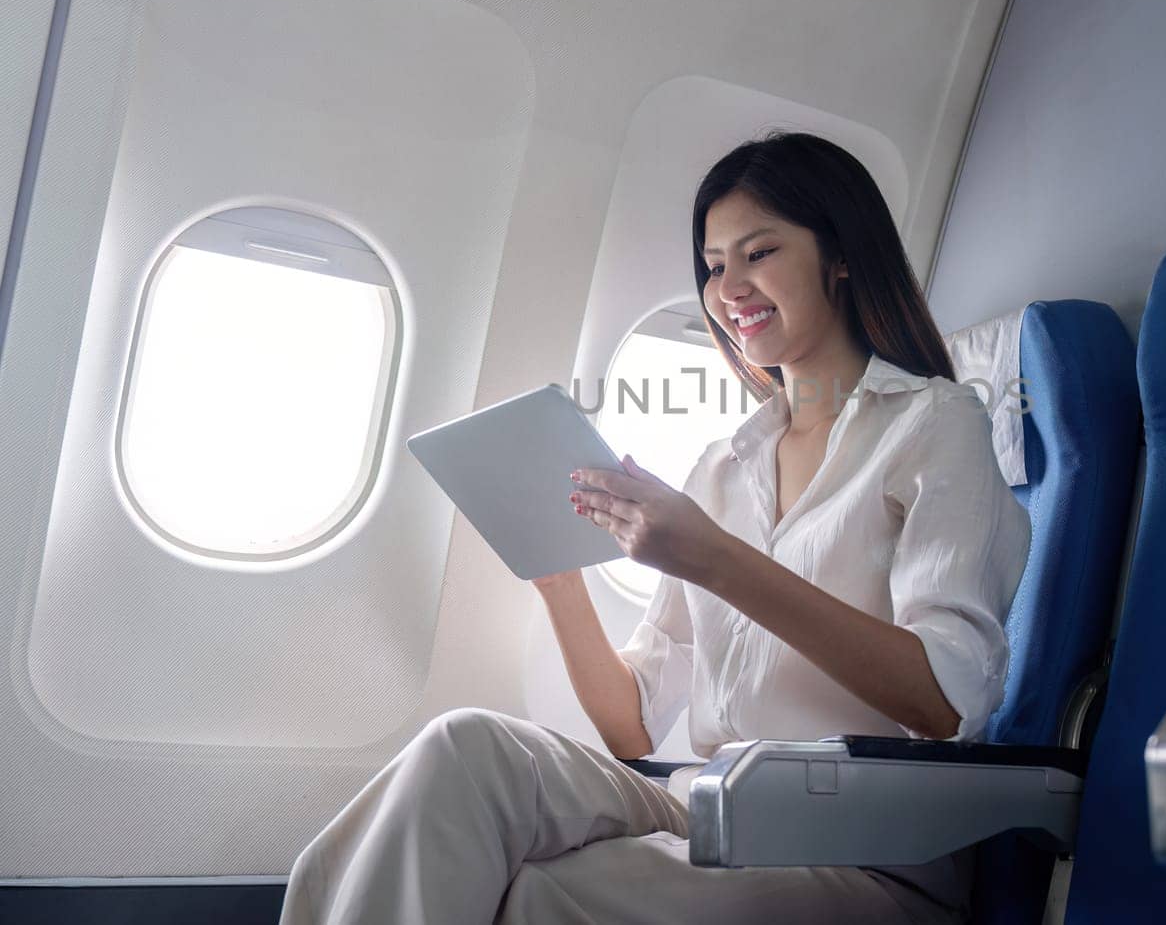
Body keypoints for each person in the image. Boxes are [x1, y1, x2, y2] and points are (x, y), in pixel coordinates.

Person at [279, 132, 1032, 924]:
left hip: (864, 849)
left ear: (841, 254)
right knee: (463, 753)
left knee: (537, 892)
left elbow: (947, 701)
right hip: (713, 807)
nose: (728, 287)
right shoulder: (723, 465)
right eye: (713, 265)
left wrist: (715, 559)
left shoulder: (934, 424)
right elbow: (633, 723)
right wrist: (557, 574)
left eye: (759, 252)